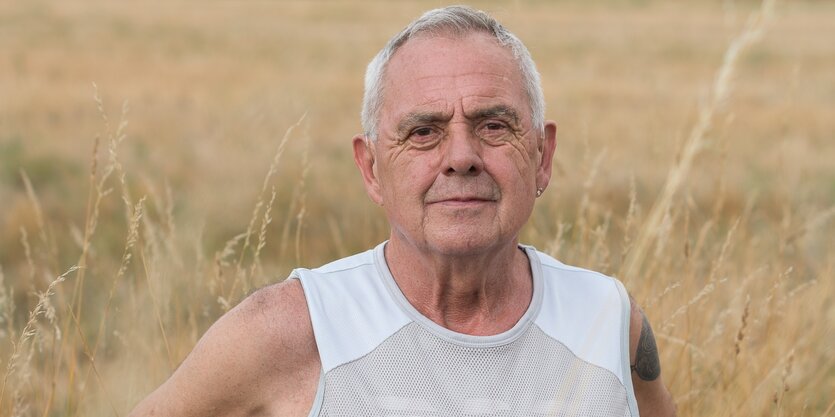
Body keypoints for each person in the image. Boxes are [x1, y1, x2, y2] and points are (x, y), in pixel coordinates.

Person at [129, 5, 676, 417]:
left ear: (542, 156)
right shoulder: (291, 332)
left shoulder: (609, 319)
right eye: (423, 132)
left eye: (493, 126)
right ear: (371, 169)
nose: (461, 157)